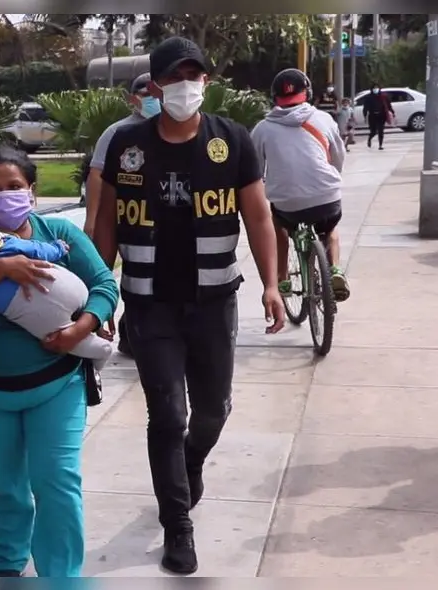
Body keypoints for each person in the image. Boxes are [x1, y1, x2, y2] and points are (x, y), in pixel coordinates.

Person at [94, 36, 285, 575]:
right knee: (167, 415)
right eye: (175, 77)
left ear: (206, 80)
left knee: (212, 411)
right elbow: (105, 221)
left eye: (194, 75)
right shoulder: (128, 145)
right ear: (153, 86)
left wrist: (272, 284)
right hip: (150, 304)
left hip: (213, 300)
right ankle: (178, 526)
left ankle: (192, 462)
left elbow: (259, 217)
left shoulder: (232, 140)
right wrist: (101, 291)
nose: (186, 86)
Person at [0, 146, 119, 577]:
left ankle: (61, 576)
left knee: (56, 482)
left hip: (56, 384)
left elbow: (105, 285)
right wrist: (2, 269)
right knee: (3, 486)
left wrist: (81, 327)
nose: (4, 197)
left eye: (14, 187)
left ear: (31, 193)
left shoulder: (58, 234)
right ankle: (8, 566)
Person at [0, 208, 113, 371]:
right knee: (64, 336)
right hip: (74, 289)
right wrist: (59, 248)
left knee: (61, 337)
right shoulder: (9, 244)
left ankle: (99, 350)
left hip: (47, 319)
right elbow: (39, 250)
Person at [251, 68, 350, 302]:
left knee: (280, 228)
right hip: (326, 197)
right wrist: (332, 174)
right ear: (307, 93)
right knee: (331, 229)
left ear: (275, 97)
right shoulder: (324, 119)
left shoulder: (262, 128)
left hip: (287, 203)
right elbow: (338, 156)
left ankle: (283, 278)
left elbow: (254, 168)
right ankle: (335, 270)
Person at [85, 72, 159, 358]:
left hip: (160, 219)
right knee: (126, 273)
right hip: (125, 217)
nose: (152, 100)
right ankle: (123, 327)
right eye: (145, 94)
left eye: (156, 92)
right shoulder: (118, 133)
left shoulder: (174, 129)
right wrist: (92, 221)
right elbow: (97, 174)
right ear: (133, 99)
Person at [362, 83, 394, 150]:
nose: (375, 89)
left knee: (381, 131)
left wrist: (392, 112)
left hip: (382, 116)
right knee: (373, 131)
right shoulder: (368, 97)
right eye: (374, 88)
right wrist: (365, 115)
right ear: (372, 89)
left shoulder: (384, 96)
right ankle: (370, 139)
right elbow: (365, 108)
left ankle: (380, 145)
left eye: (377, 88)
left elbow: (388, 105)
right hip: (372, 116)